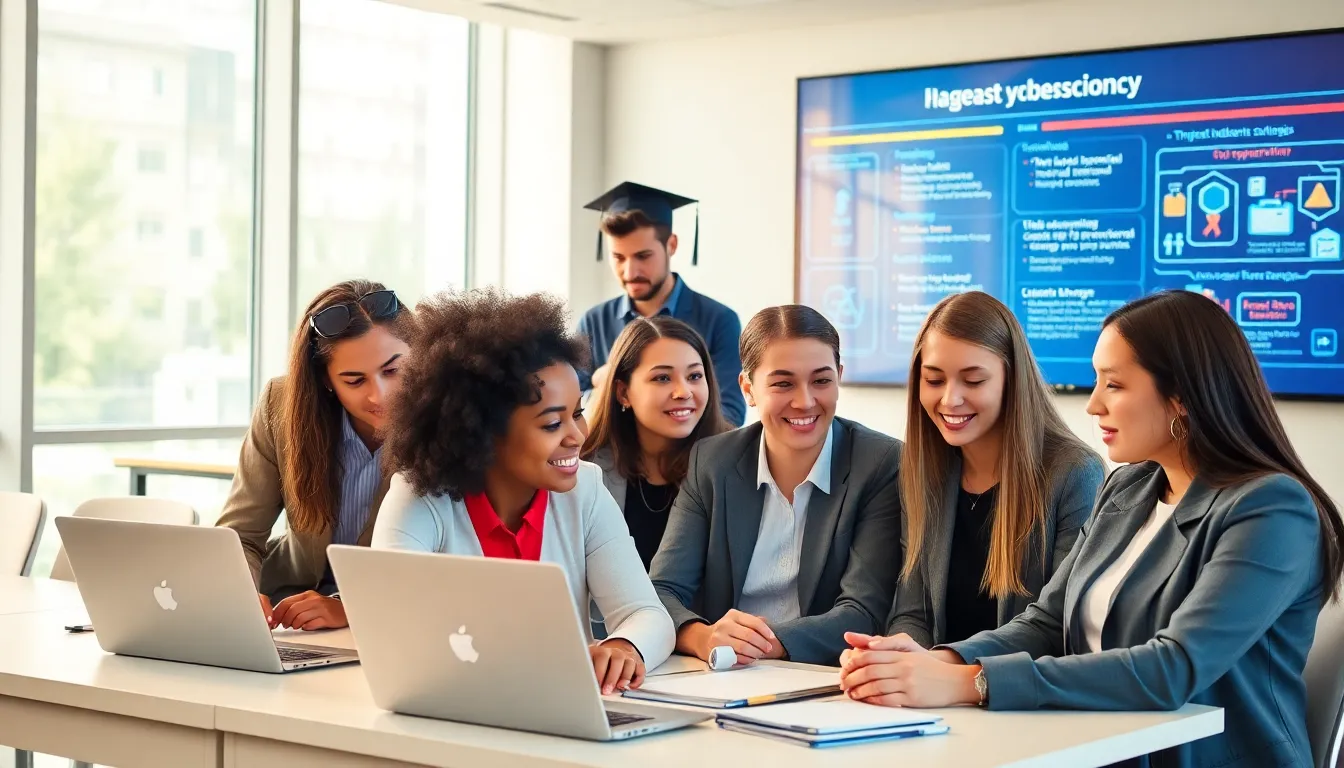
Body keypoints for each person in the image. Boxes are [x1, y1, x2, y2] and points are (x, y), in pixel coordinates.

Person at [840, 290, 1344, 768]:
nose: (1093, 404)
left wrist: (971, 683)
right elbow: (1045, 624)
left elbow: (1172, 669)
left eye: (1114, 385)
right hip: (1103, 750)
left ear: (1181, 397)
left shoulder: (1272, 509)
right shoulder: (1128, 488)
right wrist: (941, 661)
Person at [372, 288, 674, 694]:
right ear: (482, 433)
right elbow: (388, 622)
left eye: (577, 413)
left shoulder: (585, 490)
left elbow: (647, 615)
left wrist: (624, 646)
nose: (578, 436)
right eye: (552, 424)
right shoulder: (418, 499)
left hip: (563, 707)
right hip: (450, 703)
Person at [650, 305, 903, 666]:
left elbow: (863, 611)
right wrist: (702, 636)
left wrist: (761, 643)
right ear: (748, 389)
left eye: (821, 381)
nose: (805, 401)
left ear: (839, 377)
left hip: (821, 676)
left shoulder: (879, 463)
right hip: (723, 672)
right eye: (783, 383)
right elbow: (662, 589)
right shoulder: (712, 462)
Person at [887, 291, 1104, 646]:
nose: (950, 399)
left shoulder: (1075, 474)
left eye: (973, 381)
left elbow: (1058, 628)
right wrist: (900, 652)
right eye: (934, 380)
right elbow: (913, 613)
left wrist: (944, 664)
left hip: (1012, 680)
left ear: (1012, 380)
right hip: (935, 678)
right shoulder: (922, 470)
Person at [216, 279, 410, 631]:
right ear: (325, 381)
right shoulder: (281, 406)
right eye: (354, 381)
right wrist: (237, 592)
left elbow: (451, 559)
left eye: (392, 370)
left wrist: (349, 607)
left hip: (392, 618)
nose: (379, 395)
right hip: (290, 612)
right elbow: (239, 536)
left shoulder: (451, 420)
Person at [579, 181, 746, 426]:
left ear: (671, 245)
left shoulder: (719, 321)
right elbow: (573, 409)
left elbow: (730, 414)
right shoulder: (594, 322)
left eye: (643, 256)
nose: (630, 271)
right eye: (618, 257)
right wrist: (602, 384)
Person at [581, 316, 731, 570]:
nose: (684, 392)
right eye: (662, 378)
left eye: (695, 375)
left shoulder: (734, 463)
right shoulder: (587, 472)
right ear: (623, 393)